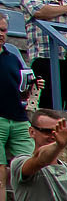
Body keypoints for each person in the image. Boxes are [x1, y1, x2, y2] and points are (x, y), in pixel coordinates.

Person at [0, 13, 31, 169]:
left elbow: (21, 90)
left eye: (4, 30)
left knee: (33, 165)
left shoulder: (13, 59)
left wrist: (33, 86)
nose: (1, 34)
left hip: (19, 119)